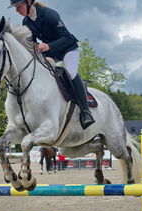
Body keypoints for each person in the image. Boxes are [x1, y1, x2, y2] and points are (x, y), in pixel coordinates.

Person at [8, 0, 95, 129]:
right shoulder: (26, 22)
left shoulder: (49, 14)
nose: (17, 10)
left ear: (29, 3)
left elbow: (67, 38)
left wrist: (48, 46)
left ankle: (86, 112)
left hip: (67, 48)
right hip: (50, 52)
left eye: (19, 6)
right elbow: (32, 43)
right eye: (15, 7)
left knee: (70, 72)